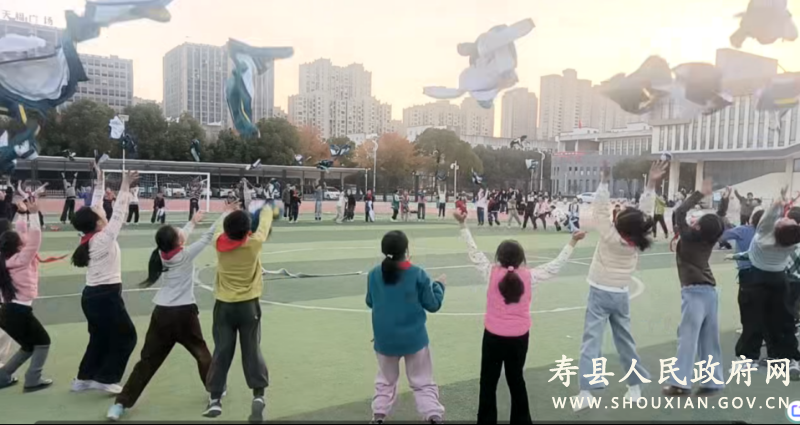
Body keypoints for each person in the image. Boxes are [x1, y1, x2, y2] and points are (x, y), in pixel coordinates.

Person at [455, 210, 584, 423]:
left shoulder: (490, 273)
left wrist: (463, 225)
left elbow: (474, 252)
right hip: (519, 338)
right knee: (516, 380)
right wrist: (572, 241)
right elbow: (555, 266)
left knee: (488, 382)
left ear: (498, 258)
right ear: (521, 259)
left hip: (493, 336)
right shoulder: (529, 276)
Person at [107, 209, 228, 421]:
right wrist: (225, 213)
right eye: (178, 232)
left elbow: (180, 237)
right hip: (184, 314)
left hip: (161, 314)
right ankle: (215, 391)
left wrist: (192, 222)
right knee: (202, 353)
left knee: (147, 361)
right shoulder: (185, 255)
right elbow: (209, 235)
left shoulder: (161, 254)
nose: (182, 232)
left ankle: (120, 404)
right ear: (178, 242)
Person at [573, 161, 668, 410]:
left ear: (618, 223)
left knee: (591, 342)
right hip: (621, 294)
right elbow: (644, 214)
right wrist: (651, 184)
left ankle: (586, 392)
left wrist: (604, 181)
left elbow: (599, 209)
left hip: (599, 292)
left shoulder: (609, 235)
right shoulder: (638, 239)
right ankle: (634, 387)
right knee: (625, 341)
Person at [71, 166, 138, 395]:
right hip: (106, 296)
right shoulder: (103, 238)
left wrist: (100, 180)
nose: (102, 212)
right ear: (98, 222)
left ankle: (84, 378)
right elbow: (119, 211)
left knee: (98, 338)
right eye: (100, 214)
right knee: (127, 336)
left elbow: (96, 204)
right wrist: (125, 185)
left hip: (91, 296)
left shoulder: (88, 236)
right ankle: (107, 379)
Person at [204, 204, 274, 421]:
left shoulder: (218, 242)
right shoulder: (254, 244)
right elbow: (264, 225)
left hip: (224, 306)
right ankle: (258, 394)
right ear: (247, 231)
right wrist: (267, 208)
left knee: (222, 350)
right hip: (249, 306)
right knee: (252, 349)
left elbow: (219, 226)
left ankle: (215, 398)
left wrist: (227, 211)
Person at [367, 230, 446, 424]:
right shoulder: (417, 273)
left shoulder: (374, 273)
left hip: (385, 340)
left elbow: (370, 301)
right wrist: (439, 286)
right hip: (414, 339)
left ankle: (378, 415)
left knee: (385, 381)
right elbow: (433, 304)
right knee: (422, 381)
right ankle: (433, 416)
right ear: (406, 250)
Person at [661, 182, 731, 396]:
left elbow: (680, 211)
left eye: (697, 221)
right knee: (709, 339)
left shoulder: (690, 237)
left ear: (699, 227)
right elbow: (720, 218)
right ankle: (712, 381)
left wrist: (700, 193)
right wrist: (725, 199)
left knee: (687, 338)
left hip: (694, 293)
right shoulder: (710, 237)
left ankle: (680, 383)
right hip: (710, 292)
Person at [736, 186, 800, 379]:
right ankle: (789, 358)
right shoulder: (792, 241)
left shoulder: (764, 236)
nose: (785, 217)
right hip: (779, 280)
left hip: (757, 279)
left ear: (778, 228)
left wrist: (779, 200)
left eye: (786, 220)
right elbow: (778, 220)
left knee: (752, 320)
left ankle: (748, 359)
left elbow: (768, 216)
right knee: (783, 320)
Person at [0, 199, 51, 393]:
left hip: (6, 312)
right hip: (18, 312)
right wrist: (35, 214)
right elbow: (35, 240)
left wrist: (22, 214)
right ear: (18, 246)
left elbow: (22, 234)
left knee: (29, 346)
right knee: (43, 342)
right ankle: (33, 379)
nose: (24, 239)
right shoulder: (22, 258)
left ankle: (3, 376)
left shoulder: (6, 259)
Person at [721, 209, 766, 364]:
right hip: (768, 273)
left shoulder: (743, 230)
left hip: (748, 274)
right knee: (762, 309)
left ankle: (748, 354)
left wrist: (724, 225)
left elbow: (722, 236)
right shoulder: (770, 234)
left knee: (748, 309)